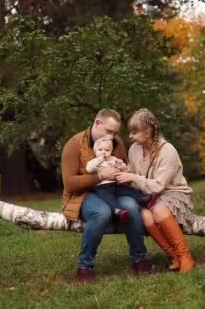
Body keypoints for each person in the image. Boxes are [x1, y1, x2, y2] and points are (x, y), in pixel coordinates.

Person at [61, 109, 150, 283]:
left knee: (132, 207)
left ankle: (139, 259)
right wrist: (101, 176)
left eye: (115, 132)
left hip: (113, 190)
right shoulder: (74, 144)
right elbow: (69, 184)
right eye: (109, 131)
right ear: (97, 123)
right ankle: (84, 266)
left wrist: (123, 173)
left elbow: (123, 169)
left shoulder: (116, 143)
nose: (112, 137)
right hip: (83, 194)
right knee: (101, 213)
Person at [116, 108, 196, 274]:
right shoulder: (134, 149)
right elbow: (133, 173)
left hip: (172, 192)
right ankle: (174, 256)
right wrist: (121, 170)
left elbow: (159, 185)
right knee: (145, 215)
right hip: (148, 195)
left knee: (158, 211)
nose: (131, 136)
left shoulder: (167, 151)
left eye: (134, 132)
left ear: (147, 132)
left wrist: (134, 178)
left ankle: (185, 256)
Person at [86, 135, 154, 223]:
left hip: (115, 184)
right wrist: (99, 160)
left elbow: (123, 169)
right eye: (100, 150)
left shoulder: (113, 159)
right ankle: (118, 212)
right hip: (102, 188)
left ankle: (143, 198)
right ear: (95, 151)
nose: (103, 152)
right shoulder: (94, 161)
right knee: (109, 199)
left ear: (111, 151)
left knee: (128, 190)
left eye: (107, 150)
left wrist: (121, 165)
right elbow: (89, 169)